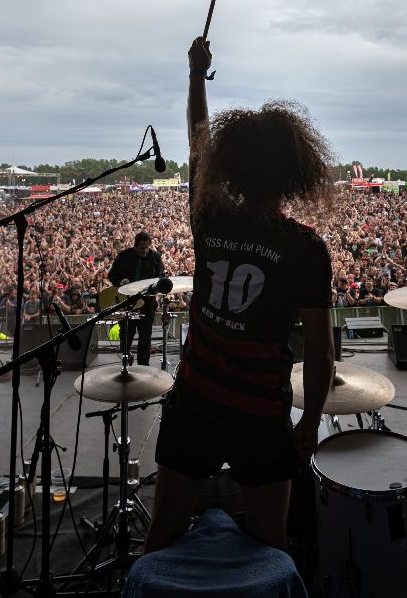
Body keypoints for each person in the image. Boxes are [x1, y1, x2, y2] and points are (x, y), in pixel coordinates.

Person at [144, 36, 335, 553]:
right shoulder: (306, 248)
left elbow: (197, 143)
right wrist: (311, 421)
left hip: (195, 402)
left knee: (163, 534)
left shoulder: (208, 218)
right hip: (260, 413)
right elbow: (320, 352)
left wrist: (195, 76)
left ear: (232, 168)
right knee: (269, 542)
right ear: (295, 174)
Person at [107, 232, 163, 366]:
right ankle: (126, 357)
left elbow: (161, 277)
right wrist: (120, 281)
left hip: (147, 303)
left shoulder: (155, 257)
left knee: (145, 335)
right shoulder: (124, 256)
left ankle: (144, 365)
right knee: (126, 333)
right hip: (127, 302)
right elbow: (111, 275)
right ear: (135, 246)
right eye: (141, 248)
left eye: (147, 248)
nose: (144, 251)